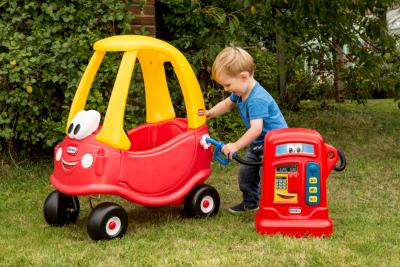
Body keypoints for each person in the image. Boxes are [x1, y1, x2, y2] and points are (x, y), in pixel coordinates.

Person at [206, 46, 288, 213]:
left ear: (243, 77)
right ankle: (250, 203)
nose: (226, 89)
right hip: (259, 143)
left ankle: (276, 206)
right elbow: (227, 104)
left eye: (227, 84)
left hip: (277, 145)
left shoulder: (256, 98)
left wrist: (236, 146)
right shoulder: (240, 92)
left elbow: (256, 129)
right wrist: (210, 113)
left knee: (272, 177)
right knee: (247, 173)